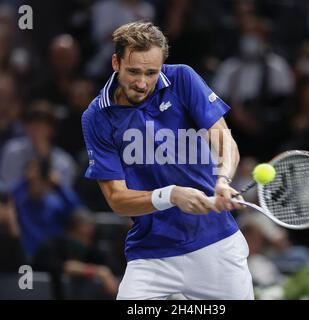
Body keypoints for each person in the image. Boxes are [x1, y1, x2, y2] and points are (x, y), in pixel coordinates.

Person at [81, 21, 253, 300]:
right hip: (151, 256)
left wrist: (223, 179)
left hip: (216, 245)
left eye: (151, 72)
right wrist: (171, 195)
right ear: (115, 62)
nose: (142, 83)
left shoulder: (183, 79)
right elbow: (117, 199)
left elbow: (224, 140)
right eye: (133, 72)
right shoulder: (97, 117)